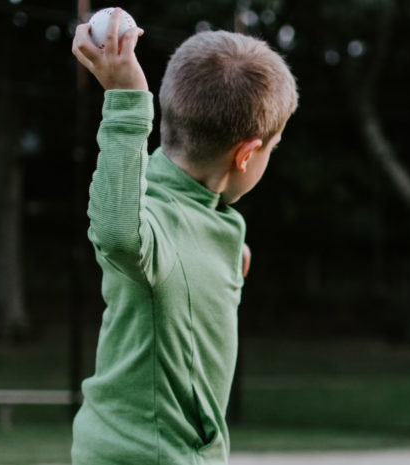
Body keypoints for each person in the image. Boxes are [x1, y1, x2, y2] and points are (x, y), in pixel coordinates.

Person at [70, 11, 298, 465]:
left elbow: (186, 225)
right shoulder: (152, 218)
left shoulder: (211, 216)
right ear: (247, 153)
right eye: (271, 149)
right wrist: (126, 98)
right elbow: (119, 235)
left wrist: (226, 257)